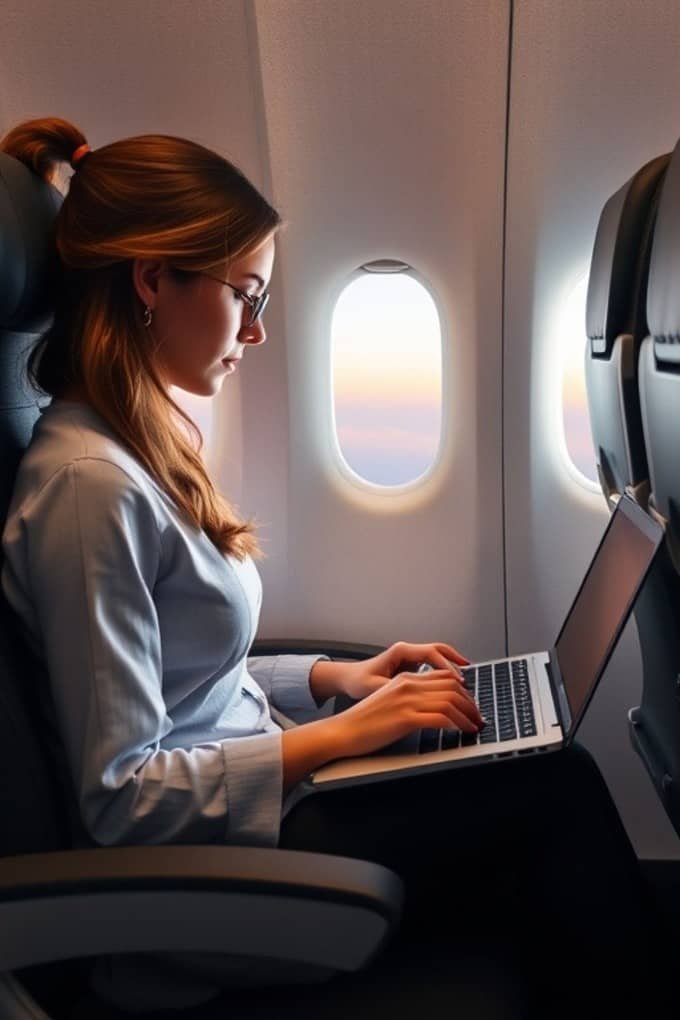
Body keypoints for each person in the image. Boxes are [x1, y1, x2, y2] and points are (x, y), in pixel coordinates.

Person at [0, 118, 667, 1017]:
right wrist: (343, 735)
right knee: (553, 788)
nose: (259, 332)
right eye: (247, 295)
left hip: (265, 807)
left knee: (527, 774)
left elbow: (190, 679)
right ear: (154, 279)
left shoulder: (133, 447)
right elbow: (122, 800)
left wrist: (332, 679)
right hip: (214, 880)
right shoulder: (87, 491)